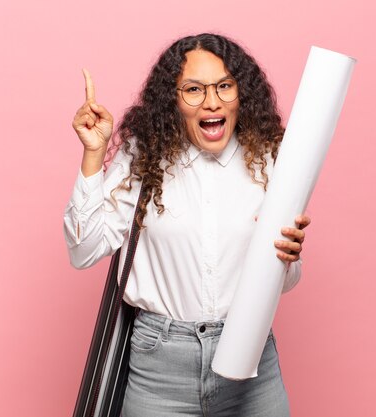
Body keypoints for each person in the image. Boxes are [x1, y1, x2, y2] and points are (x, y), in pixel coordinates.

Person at [64, 33, 311, 416]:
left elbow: (288, 281)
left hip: (251, 362)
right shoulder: (143, 157)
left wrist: (287, 257)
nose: (212, 101)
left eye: (224, 86)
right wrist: (94, 154)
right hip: (160, 369)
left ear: (240, 92)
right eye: (194, 89)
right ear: (173, 100)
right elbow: (83, 251)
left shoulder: (268, 158)